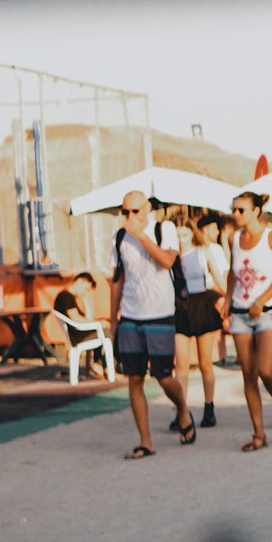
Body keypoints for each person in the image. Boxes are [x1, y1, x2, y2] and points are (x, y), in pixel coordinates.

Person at [109, 188, 193, 457]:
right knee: (134, 379)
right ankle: (146, 441)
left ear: (147, 209)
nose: (130, 216)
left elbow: (167, 260)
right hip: (131, 316)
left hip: (159, 312)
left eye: (135, 211)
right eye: (125, 212)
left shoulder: (163, 229)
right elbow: (117, 280)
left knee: (163, 376)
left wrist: (141, 235)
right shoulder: (119, 237)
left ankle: (182, 410)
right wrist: (113, 319)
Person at [227, 187, 272, 450]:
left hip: (267, 312)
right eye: (233, 209)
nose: (236, 213)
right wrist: (226, 299)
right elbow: (233, 272)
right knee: (248, 374)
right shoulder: (233, 238)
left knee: (266, 369)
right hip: (240, 313)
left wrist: (260, 300)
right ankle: (258, 433)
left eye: (241, 209)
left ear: (256, 211)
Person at [172, 216, 226, 427]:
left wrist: (229, 301)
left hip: (201, 303)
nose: (181, 239)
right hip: (180, 307)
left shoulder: (203, 252)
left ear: (192, 233)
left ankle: (209, 407)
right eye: (176, 235)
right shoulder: (170, 256)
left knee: (205, 363)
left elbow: (219, 279)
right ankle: (181, 411)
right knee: (181, 365)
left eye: (184, 234)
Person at [197, 215, 233, 363]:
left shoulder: (216, 248)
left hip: (218, 289)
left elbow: (224, 274)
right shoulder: (198, 249)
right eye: (214, 229)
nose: (217, 232)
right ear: (205, 230)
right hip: (206, 290)